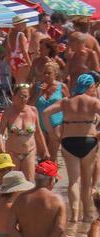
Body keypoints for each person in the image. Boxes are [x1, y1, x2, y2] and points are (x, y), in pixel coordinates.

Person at [40, 73, 100, 223]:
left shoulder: (66, 102)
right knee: (86, 181)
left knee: (73, 180)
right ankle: (87, 216)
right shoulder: (93, 102)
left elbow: (46, 113)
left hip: (68, 141)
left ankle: (74, 216)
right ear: (90, 86)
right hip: (88, 141)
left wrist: (52, 133)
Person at [0, 83, 48, 181]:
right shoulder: (8, 112)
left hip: (30, 151)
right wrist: (1, 145)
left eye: (25, 96)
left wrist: (45, 149)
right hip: (13, 152)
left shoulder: (33, 111)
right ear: (14, 96)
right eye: (20, 96)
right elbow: (0, 132)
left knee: (29, 182)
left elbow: (38, 132)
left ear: (29, 97)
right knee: (13, 182)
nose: (23, 99)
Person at [34, 60, 65, 163]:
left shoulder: (62, 87)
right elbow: (29, 104)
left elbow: (69, 104)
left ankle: (52, 177)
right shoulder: (37, 86)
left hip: (56, 123)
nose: (46, 75)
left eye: (49, 73)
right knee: (42, 155)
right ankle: (44, 176)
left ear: (55, 74)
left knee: (52, 155)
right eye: (44, 73)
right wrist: (39, 92)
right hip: (40, 123)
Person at [8, 17, 32, 84]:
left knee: (18, 83)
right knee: (24, 83)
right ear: (18, 24)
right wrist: (30, 64)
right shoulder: (20, 34)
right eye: (24, 23)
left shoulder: (10, 34)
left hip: (13, 60)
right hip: (21, 60)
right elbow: (24, 51)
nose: (25, 25)